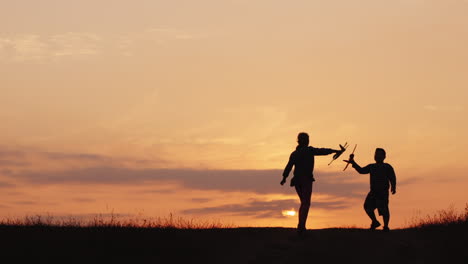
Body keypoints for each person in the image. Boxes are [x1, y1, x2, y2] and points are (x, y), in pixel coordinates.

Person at [281, 132, 344, 234]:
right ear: (305, 141)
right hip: (305, 180)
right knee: (306, 203)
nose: (308, 141)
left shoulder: (294, 154)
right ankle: (301, 226)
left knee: (303, 203)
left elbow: (288, 167)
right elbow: (322, 151)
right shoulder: (309, 150)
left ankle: (300, 225)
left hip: (296, 180)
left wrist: (284, 178)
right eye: (307, 139)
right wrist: (335, 151)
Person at [344, 148, 396, 231]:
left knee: (384, 209)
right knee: (367, 206)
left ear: (384, 156)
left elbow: (392, 177)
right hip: (373, 192)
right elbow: (361, 170)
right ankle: (375, 221)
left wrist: (394, 186)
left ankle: (386, 226)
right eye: (376, 154)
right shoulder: (372, 166)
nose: (377, 156)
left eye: (379, 154)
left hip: (383, 192)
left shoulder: (387, 167)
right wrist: (353, 162)